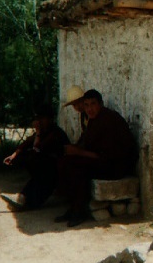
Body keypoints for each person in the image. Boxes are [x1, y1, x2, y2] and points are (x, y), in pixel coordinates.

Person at [54, 89, 139, 227]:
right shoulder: (94, 120)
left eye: (93, 104)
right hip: (103, 161)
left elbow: (105, 156)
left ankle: (79, 212)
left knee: (78, 169)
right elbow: (88, 145)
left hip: (117, 166)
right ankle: (73, 207)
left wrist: (78, 152)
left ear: (101, 104)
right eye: (86, 105)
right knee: (65, 161)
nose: (89, 109)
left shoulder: (109, 120)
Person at [1, 104, 70, 211]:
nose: (40, 121)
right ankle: (24, 198)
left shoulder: (55, 133)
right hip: (46, 169)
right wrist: (14, 155)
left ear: (50, 119)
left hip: (57, 171)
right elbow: (27, 143)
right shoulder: (44, 131)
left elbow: (37, 149)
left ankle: (26, 201)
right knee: (36, 171)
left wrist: (37, 133)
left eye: (42, 118)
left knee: (41, 170)